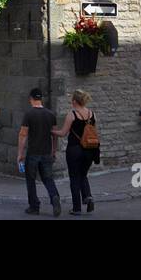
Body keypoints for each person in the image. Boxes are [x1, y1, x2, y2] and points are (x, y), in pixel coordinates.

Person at [53, 89, 98, 215]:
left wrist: (52, 132)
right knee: (83, 174)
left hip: (74, 149)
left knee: (74, 177)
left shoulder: (72, 114)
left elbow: (63, 133)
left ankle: (77, 208)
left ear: (74, 101)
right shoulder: (92, 114)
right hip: (89, 149)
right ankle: (88, 196)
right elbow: (93, 132)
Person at [18, 87, 61, 216]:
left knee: (30, 179)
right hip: (47, 152)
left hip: (33, 153)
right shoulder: (50, 114)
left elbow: (23, 135)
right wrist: (54, 151)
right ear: (41, 99)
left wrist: (20, 154)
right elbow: (54, 134)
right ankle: (54, 197)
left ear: (31, 99)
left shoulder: (29, 114)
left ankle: (34, 206)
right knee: (48, 178)